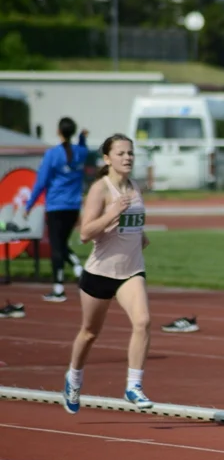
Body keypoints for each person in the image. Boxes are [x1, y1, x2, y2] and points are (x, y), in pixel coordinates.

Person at [62, 134, 155, 415]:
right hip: (100, 273)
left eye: (130, 153)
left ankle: (133, 385)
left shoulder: (135, 186)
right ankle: (74, 377)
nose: (127, 158)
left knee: (143, 321)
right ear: (107, 159)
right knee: (90, 333)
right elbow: (85, 233)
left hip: (131, 271)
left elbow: (133, 223)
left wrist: (141, 235)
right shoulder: (100, 190)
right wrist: (111, 213)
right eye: (121, 153)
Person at [25, 118, 91, 303]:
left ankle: (59, 289)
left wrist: (29, 205)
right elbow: (82, 149)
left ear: (58, 131)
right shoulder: (80, 152)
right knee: (61, 243)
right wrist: (82, 139)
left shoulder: (52, 155)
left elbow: (41, 182)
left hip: (56, 205)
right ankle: (78, 269)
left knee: (57, 245)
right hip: (73, 206)